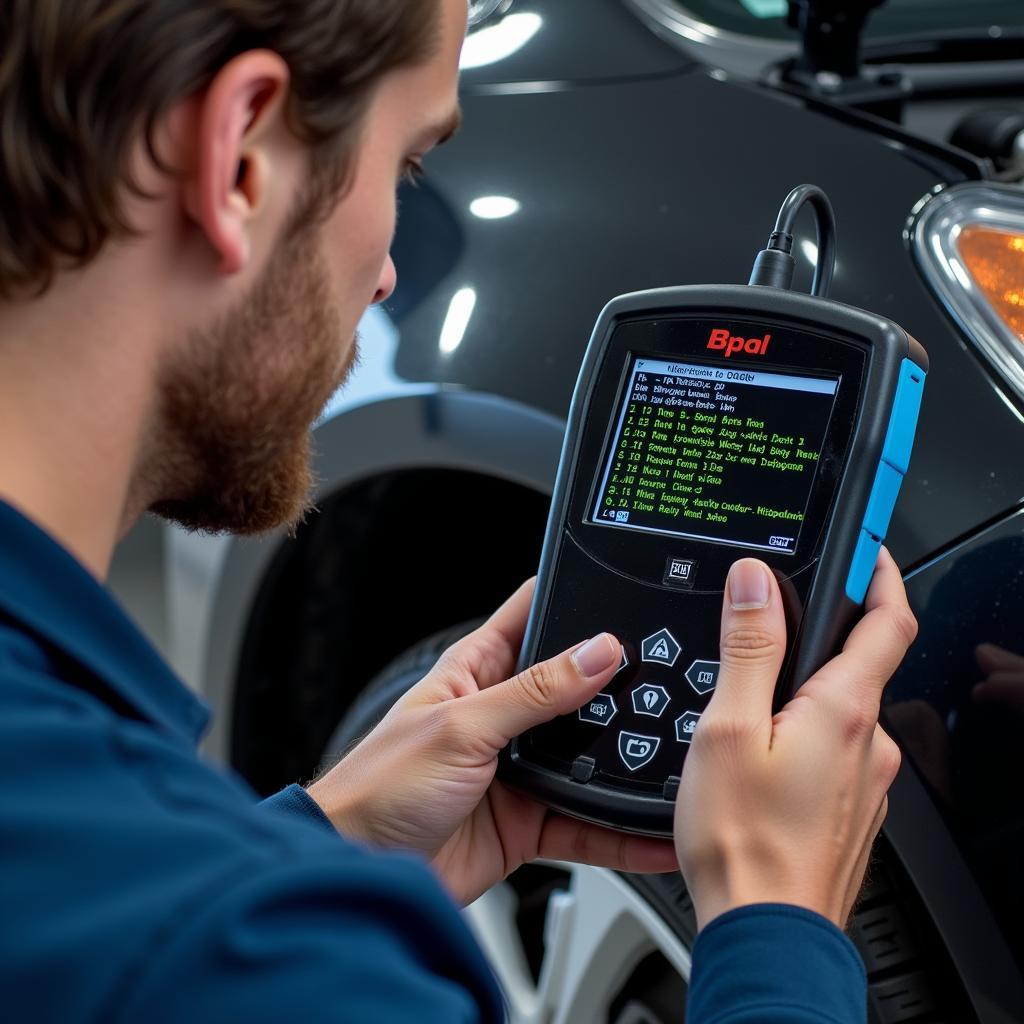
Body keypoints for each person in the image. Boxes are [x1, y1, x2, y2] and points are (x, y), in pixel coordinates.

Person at [0, 0, 915, 1020]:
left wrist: (324, 836)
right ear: (240, 159)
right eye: (406, 167)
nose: (388, 271)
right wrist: (777, 929)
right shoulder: (264, 963)